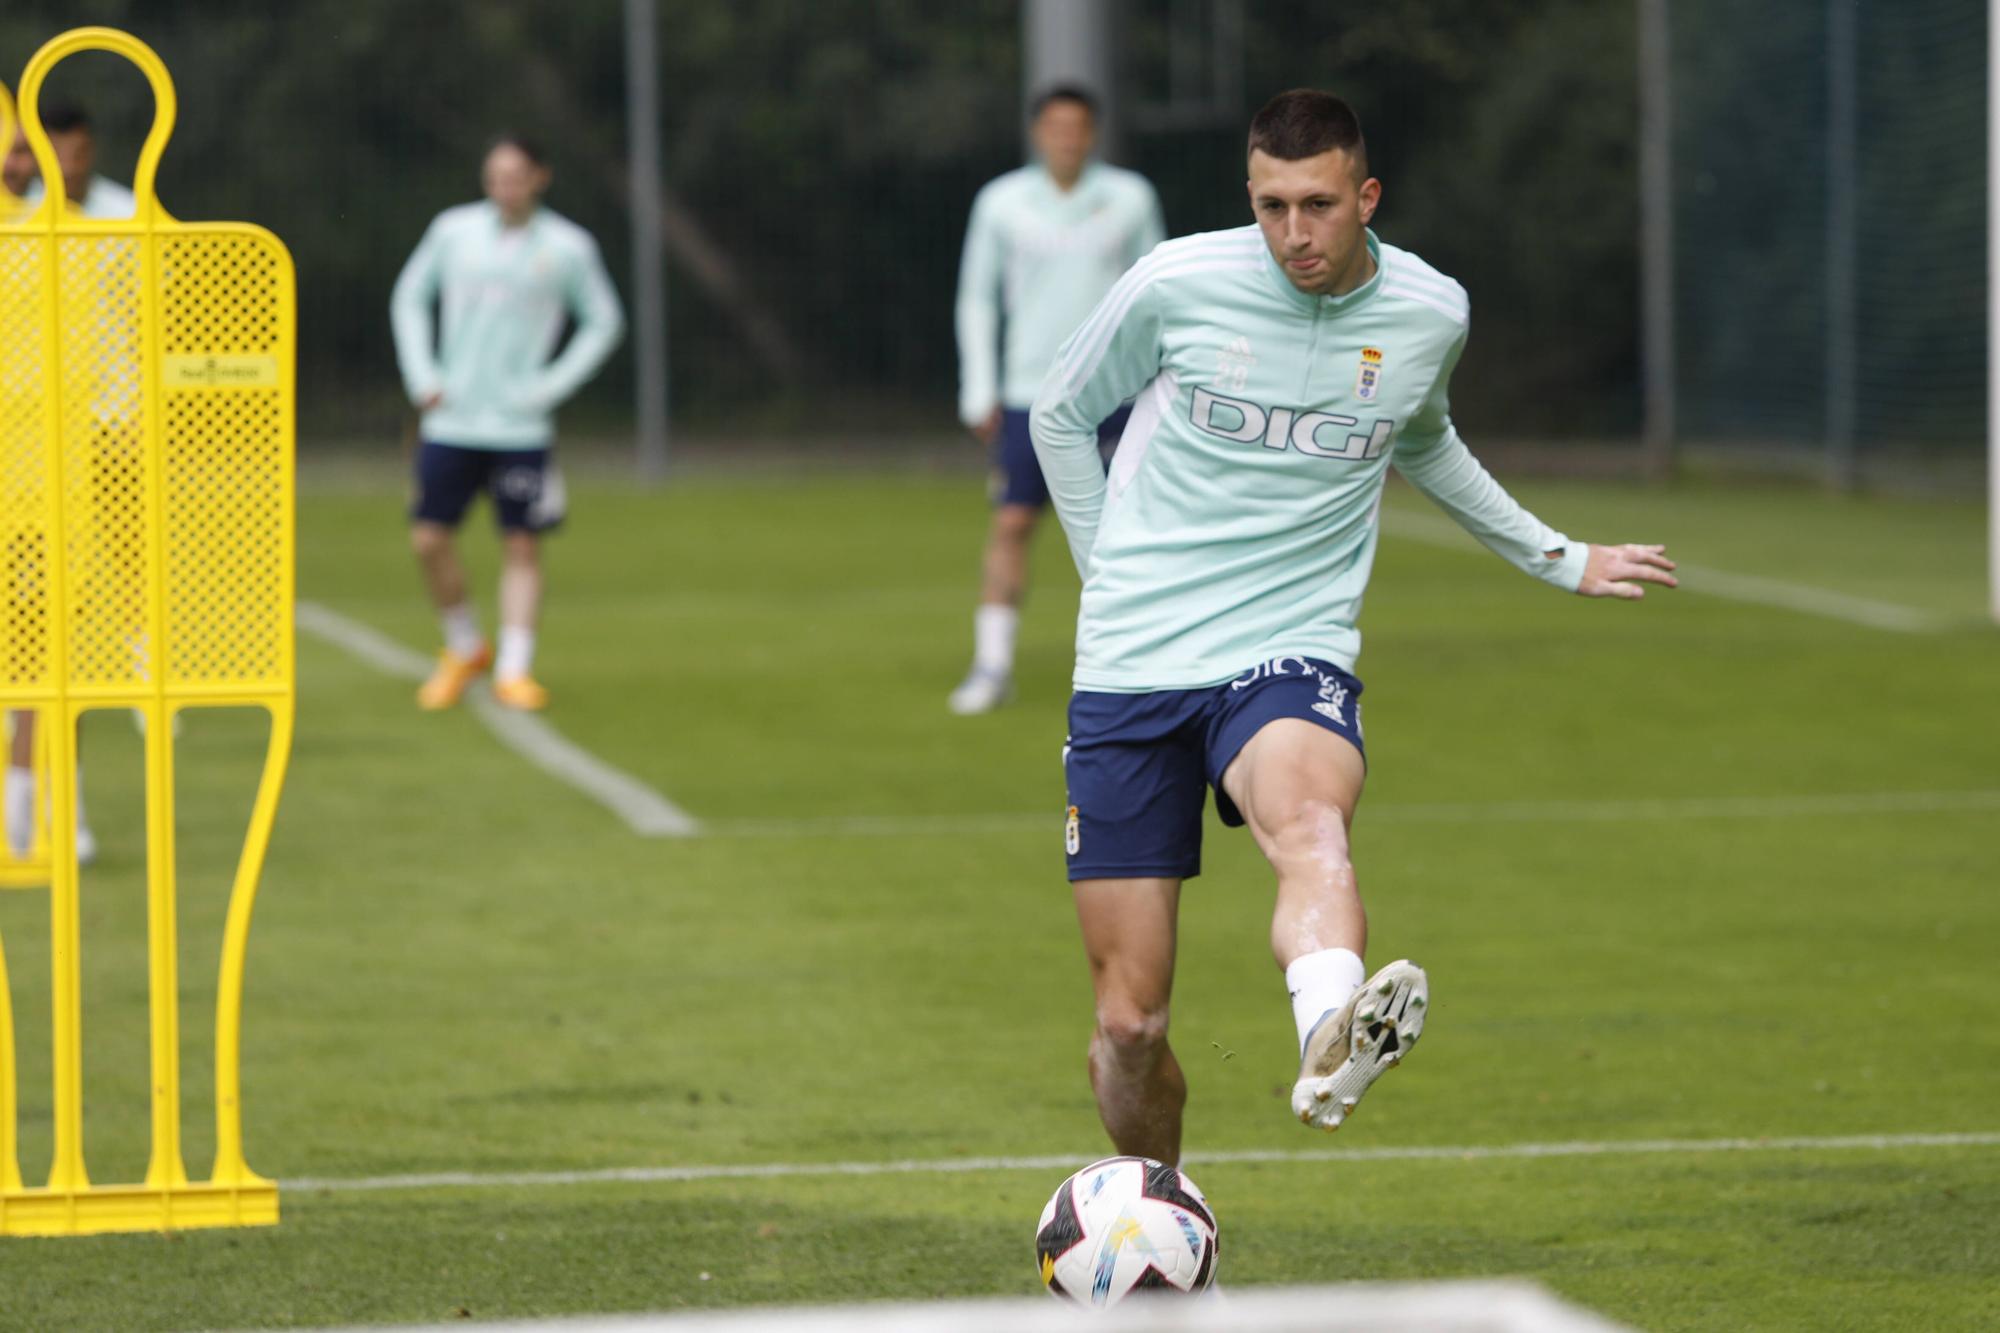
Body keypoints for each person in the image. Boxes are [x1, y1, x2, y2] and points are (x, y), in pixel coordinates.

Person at [1030, 90, 1677, 1163]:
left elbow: (1424, 439)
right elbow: (1060, 410)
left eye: (1318, 205)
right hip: (1134, 657)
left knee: (1307, 823)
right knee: (1129, 1026)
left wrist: (1558, 557)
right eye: (1271, 206)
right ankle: (1164, 1238)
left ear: (1364, 196)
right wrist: (1108, 575)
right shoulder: (1175, 282)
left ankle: (1329, 1027)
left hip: (1289, 640)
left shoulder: (1427, 312)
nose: (1293, 234)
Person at [949, 85, 1165, 715]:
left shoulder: (1130, 197)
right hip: (1030, 391)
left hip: (1117, 390)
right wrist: (979, 387)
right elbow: (977, 296)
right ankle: (992, 665)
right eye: (1055, 127)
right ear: (1038, 133)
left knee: (1133, 529)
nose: (1067, 138)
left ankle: (1145, 664)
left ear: (1092, 133)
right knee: (1014, 521)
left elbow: (1156, 289)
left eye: (1078, 127)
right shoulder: (1002, 202)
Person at [390, 134, 624, 712]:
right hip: (452, 420)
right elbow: (409, 298)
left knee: (521, 544)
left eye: (516, 175)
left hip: (520, 427)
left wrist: (550, 386)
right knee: (428, 538)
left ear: (540, 176)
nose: (504, 187)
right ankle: (466, 646)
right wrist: (424, 377)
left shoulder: (568, 246)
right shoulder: (453, 232)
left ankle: (515, 669)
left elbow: (604, 320)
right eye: (494, 175)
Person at [4, 100, 136, 866]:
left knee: (56, 646)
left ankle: (53, 804)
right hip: (18, 454)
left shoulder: (124, 218)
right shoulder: (12, 228)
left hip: (89, 453)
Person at [13, 99, 137, 218]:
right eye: (56, 154)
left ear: (93, 150)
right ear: (38, 153)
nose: (69, 167)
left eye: (78, 154)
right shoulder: (16, 210)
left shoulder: (128, 211)